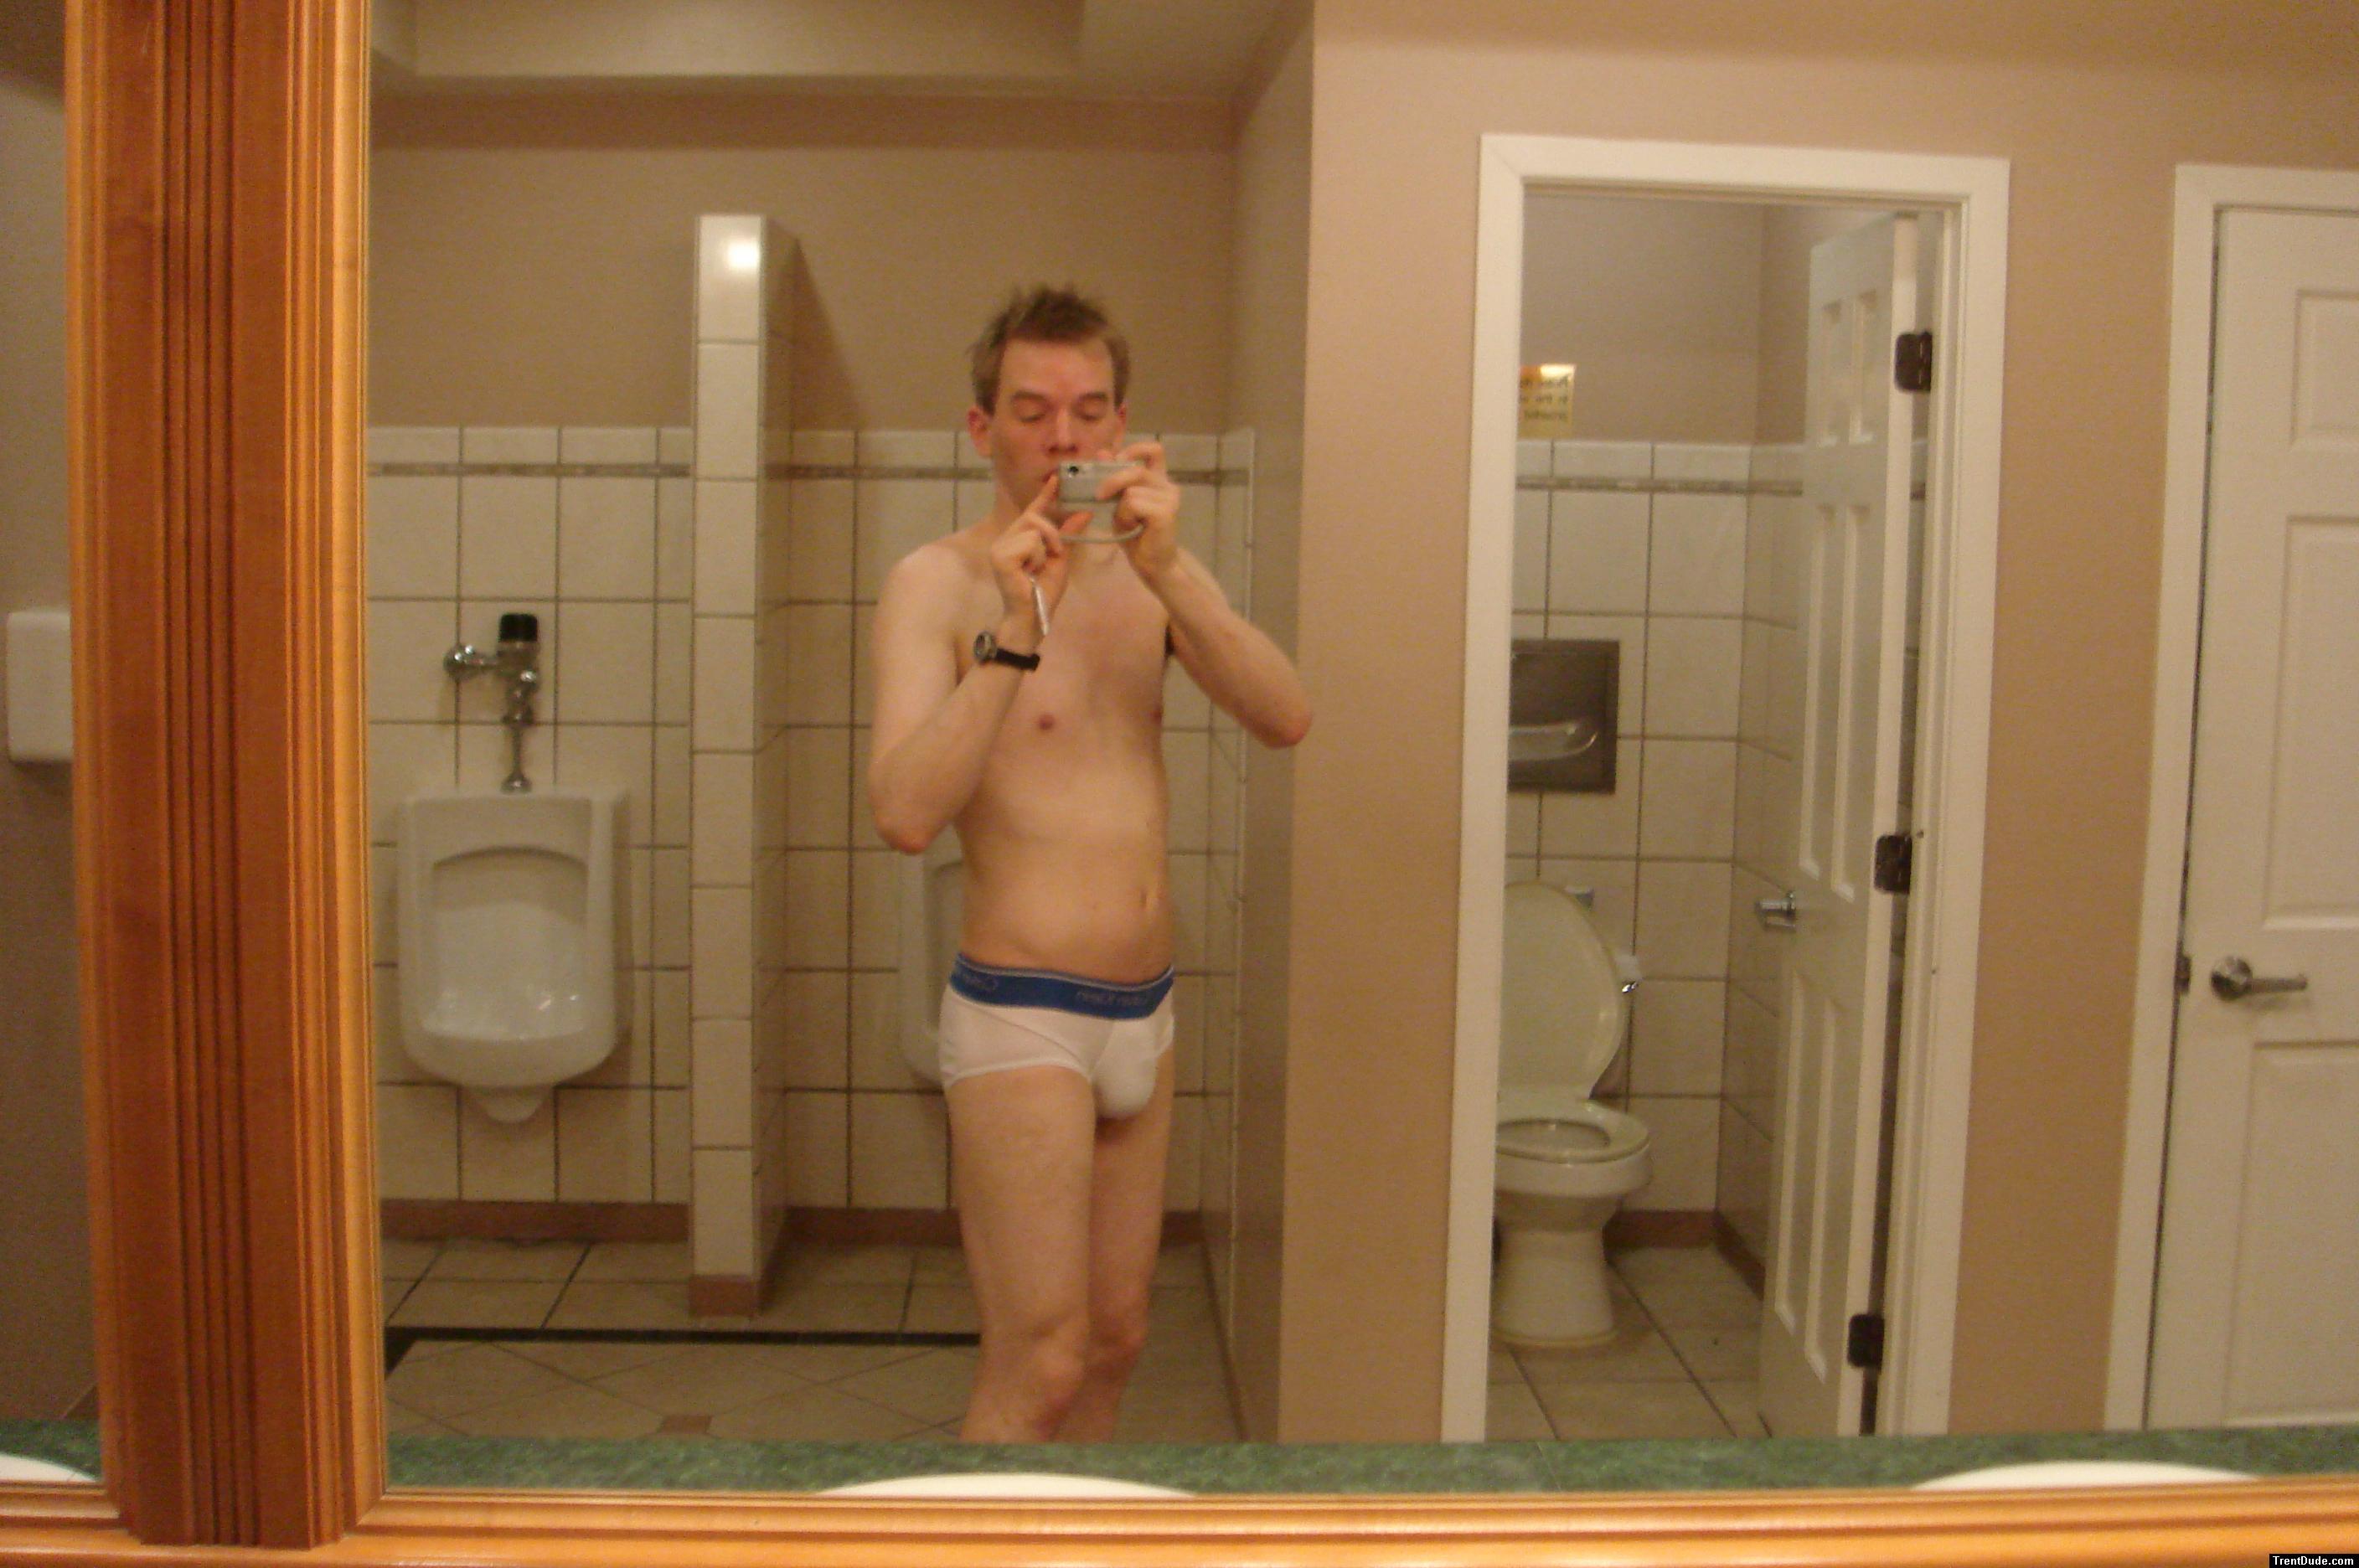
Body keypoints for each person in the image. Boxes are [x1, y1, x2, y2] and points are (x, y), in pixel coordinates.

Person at [867, 286, 1310, 1442]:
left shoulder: (1156, 581)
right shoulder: (937, 584)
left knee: (1115, 1345)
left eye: (1089, 411)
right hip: (1024, 1012)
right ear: (983, 429)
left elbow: (1285, 715)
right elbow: (905, 813)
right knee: (1040, 1363)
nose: (1062, 437)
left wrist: (1173, 572)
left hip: (1144, 1010)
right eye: (1031, 413)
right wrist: (1018, 630)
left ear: (1122, 426)